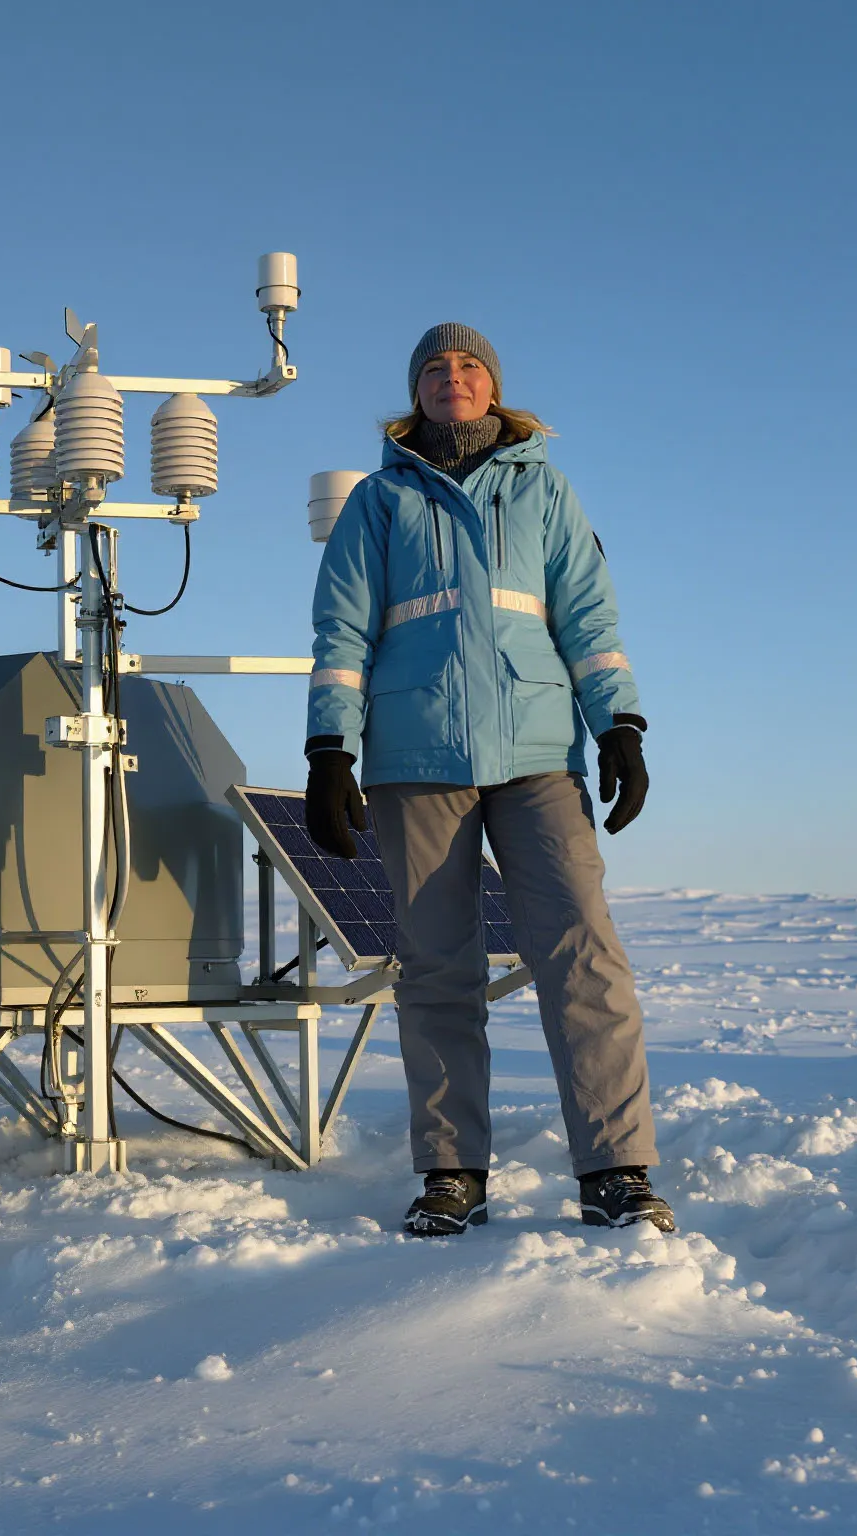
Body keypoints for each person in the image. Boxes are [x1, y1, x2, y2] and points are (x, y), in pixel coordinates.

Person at [304, 323, 674, 1237]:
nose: (452, 377)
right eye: (435, 367)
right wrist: (328, 750)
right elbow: (341, 635)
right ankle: (451, 1170)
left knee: (582, 952)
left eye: (468, 366)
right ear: (415, 392)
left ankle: (616, 1167)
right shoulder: (379, 503)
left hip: (539, 753)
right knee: (437, 969)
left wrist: (618, 726)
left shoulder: (543, 489)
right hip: (413, 755)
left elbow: (588, 618)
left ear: (495, 389)